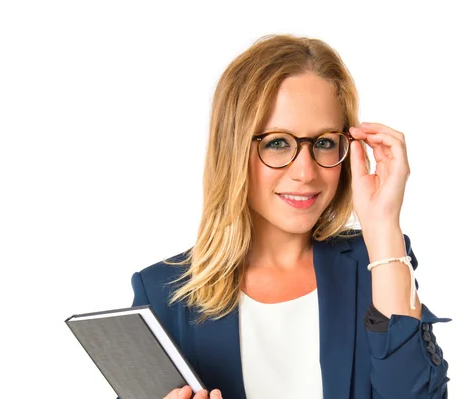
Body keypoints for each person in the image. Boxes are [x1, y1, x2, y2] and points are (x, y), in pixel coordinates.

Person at [131, 34, 450, 399]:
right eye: (278, 142)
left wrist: (382, 225)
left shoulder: (376, 265)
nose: (306, 172)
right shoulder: (162, 294)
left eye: (325, 142)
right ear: (233, 149)